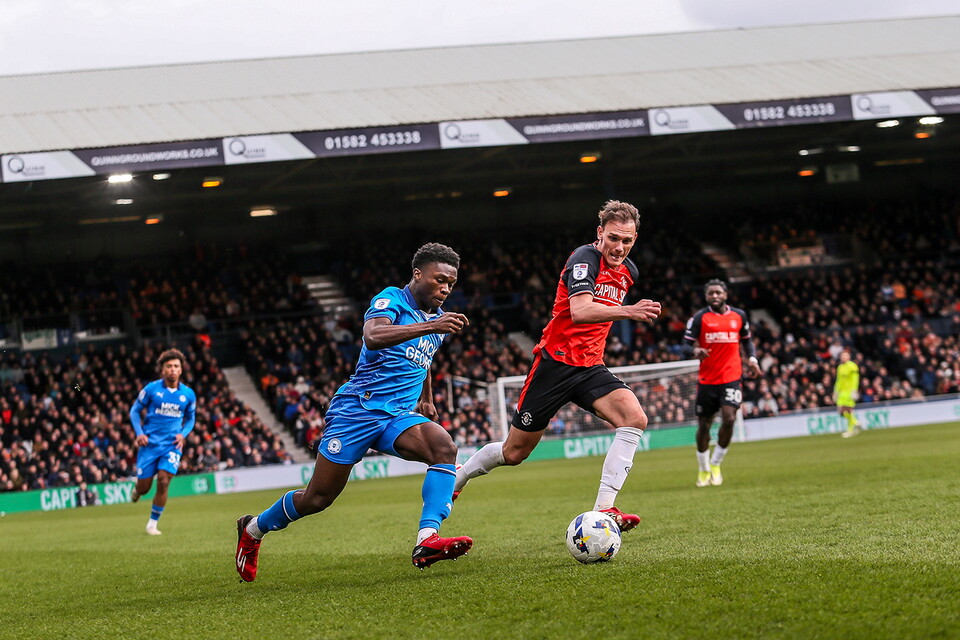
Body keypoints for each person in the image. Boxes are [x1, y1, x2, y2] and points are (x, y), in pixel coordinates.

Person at [235, 243, 473, 581]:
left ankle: (427, 540)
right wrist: (431, 328)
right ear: (418, 274)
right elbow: (374, 336)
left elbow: (425, 358)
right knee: (317, 498)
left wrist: (427, 397)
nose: (446, 289)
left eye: (451, 283)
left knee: (444, 447)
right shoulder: (392, 299)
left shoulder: (435, 320)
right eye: (439, 280)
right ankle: (253, 528)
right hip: (357, 411)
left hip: (398, 416)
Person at [453, 200, 662, 532]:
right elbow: (580, 311)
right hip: (555, 365)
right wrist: (629, 312)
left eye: (627, 240)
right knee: (514, 452)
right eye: (613, 238)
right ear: (600, 233)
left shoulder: (629, 273)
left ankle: (605, 509)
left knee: (635, 417)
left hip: (590, 366)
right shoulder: (583, 259)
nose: (619, 247)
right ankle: (460, 476)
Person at [684, 279, 762, 487]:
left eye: (718, 292)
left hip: (732, 377)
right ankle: (703, 468)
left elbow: (747, 340)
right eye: (711, 294)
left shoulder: (739, 316)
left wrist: (752, 360)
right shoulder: (700, 318)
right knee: (704, 425)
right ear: (707, 296)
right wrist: (695, 351)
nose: (715, 296)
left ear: (726, 294)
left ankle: (716, 463)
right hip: (707, 379)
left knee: (729, 418)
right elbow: (686, 344)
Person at [129, 348, 197, 535]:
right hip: (149, 444)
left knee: (164, 481)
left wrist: (183, 433)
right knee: (144, 488)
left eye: (176, 366)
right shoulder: (151, 389)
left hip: (172, 445)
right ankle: (137, 488)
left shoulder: (188, 394)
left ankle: (152, 524)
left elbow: (191, 418)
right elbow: (134, 411)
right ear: (163, 370)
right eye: (169, 366)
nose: (173, 369)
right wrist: (139, 433)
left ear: (181, 370)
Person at [834, 349, 861, 437]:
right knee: (841, 411)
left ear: (849, 357)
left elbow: (855, 379)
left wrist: (854, 390)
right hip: (842, 392)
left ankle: (850, 430)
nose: (843, 357)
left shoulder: (852, 366)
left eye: (845, 355)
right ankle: (856, 423)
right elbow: (839, 380)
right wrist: (836, 391)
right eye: (842, 356)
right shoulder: (840, 367)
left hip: (849, 392)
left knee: (848, 410)